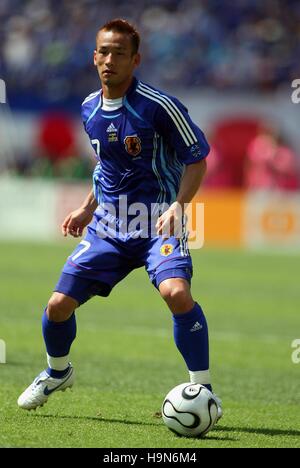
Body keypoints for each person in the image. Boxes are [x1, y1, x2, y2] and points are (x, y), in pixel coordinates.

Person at [17, 19, 222, 418]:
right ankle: (57, 372)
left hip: (156, 220)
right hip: (109, 226)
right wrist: (87, 208)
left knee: (177, 294)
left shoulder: (158, 106)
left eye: (119, 53)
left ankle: (203, 388)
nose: (110, 60)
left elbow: (197, 159)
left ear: (136, 59)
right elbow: (106, 167)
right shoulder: (89, 109)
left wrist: (180, 206)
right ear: (94, 57)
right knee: (58, 306)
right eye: (104, 52)